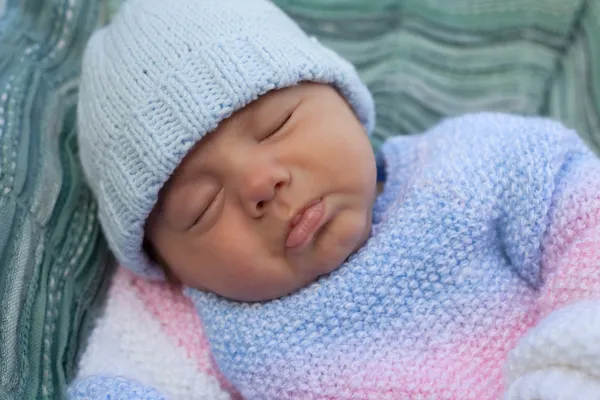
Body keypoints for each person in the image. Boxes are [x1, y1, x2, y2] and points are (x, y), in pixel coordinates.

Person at [69, 0, 600, 398]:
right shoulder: (184, 318)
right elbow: (120, 383)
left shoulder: (467, 165)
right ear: (172, 271)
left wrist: (572, 365)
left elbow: (587, 221)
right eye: (201, 206)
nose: (260, 184)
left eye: (278, 125)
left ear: (345, 101)